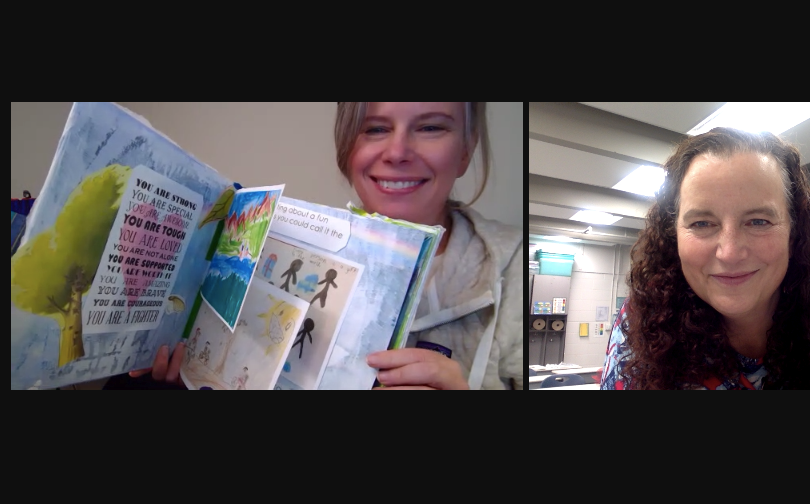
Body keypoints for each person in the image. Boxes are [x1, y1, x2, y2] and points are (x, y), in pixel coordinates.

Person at [125, 102, 524, 390]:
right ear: (347, 147)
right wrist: (194, 375)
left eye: (431, 127)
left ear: (467, 149)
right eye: (376, 129)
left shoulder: (516, 267)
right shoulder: (290, 244)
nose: (398, 152)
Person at [600, 127, 810, 390]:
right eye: (701, 223)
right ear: (673, 235)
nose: (729, 252)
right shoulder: (640, 330)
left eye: (758, 221)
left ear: (793, 232)